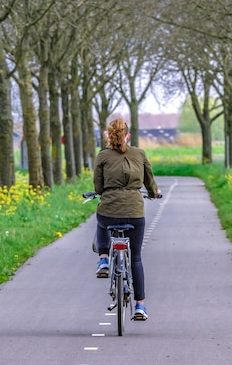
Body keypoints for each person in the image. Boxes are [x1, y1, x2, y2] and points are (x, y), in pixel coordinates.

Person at [92, 118, 161, 321]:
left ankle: (103, 258)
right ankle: (140, 305)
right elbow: (149, 180)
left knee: (101, 218)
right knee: (136, 257)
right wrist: (153, 193)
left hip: (109, 211)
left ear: (109, 136)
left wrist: (105, 193)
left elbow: (98, 186)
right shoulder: (139, 153)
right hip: (135, 213)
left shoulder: (103, 155)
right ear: (127, 136)